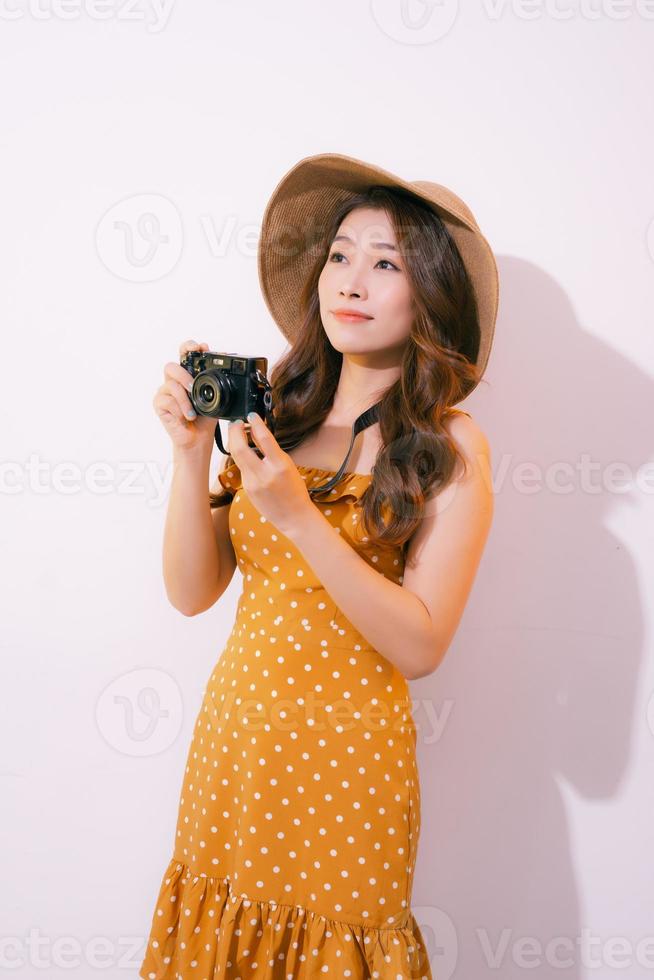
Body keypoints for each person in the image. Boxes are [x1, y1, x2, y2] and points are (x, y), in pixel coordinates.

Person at [140, 152, 499, 979]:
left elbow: (421, 646)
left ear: (431, 294)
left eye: (386, 264)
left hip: (347, 767)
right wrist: (192, 456)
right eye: (340, 255)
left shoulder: (450, 443)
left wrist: (300, 519)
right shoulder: (279, 413)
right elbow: (191, 594)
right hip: (237, 749)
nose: (352, 280)